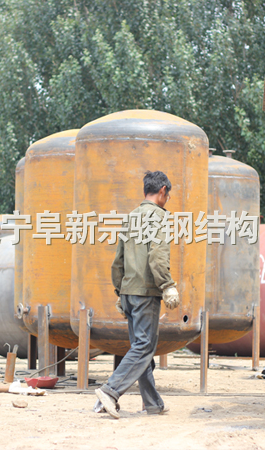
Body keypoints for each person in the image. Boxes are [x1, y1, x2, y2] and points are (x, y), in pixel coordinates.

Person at [95, 170, 180, 419]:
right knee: (144, 347)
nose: (167, 199)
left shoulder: (131, 217)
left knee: (141, 348)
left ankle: (153, 403)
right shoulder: (159, 217)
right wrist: (167, 285)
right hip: (145, 293)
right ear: (163, 190)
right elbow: (157, 256)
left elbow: (118, 260)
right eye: (168, 194)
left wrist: (119, 291)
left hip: (129, 292)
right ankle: (110, 391)